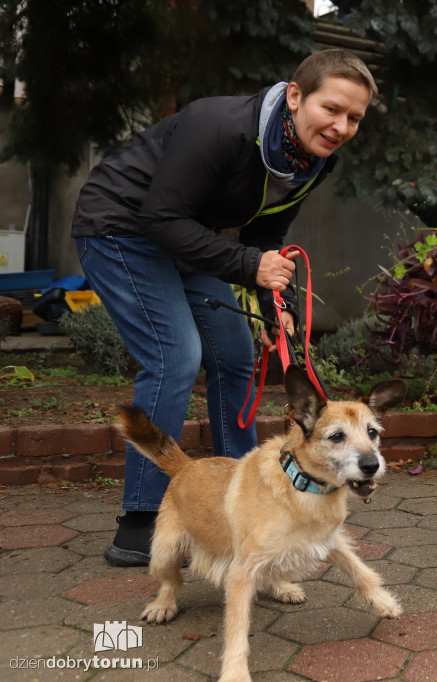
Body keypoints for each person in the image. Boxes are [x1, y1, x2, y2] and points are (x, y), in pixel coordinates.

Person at [71, 49, 377, 567]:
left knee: (237, 356)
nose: (341, 126)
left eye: (355, 118)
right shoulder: (219, 126)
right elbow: (160, 217)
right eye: (332, 109)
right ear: (296, 96)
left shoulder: (314, 159)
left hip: (189, 238)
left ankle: (242, 499)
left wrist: (272, 304)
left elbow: (265, 235)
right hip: (121, 227)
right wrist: (248, 265)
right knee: (176, 356)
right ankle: (141, 520)